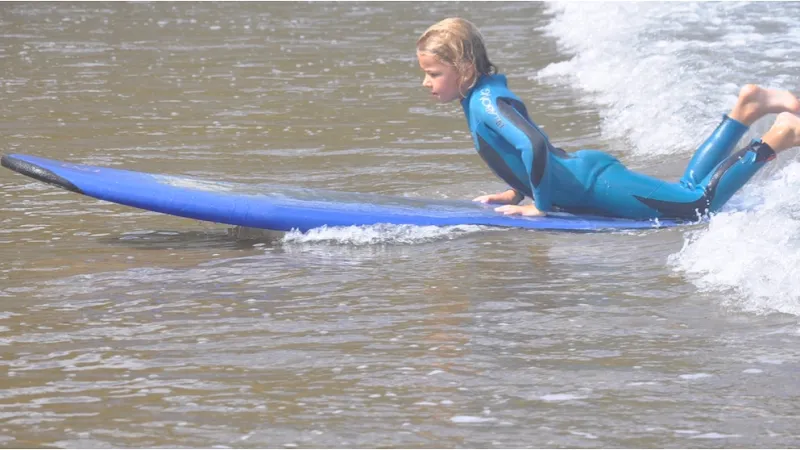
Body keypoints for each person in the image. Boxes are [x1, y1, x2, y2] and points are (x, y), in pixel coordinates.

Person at [416, 18, 800, 220]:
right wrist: (519, 191)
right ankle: (746, 109)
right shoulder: (480, 97)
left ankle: (778, 137)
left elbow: (533, 146)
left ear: (464, 67)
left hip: (593, 185)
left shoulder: (484, 104)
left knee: (697, 205)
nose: (426, 82)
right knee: (686, 189)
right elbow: (524, 148)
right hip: (584, 175)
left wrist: (541, 206)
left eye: (434, 73)